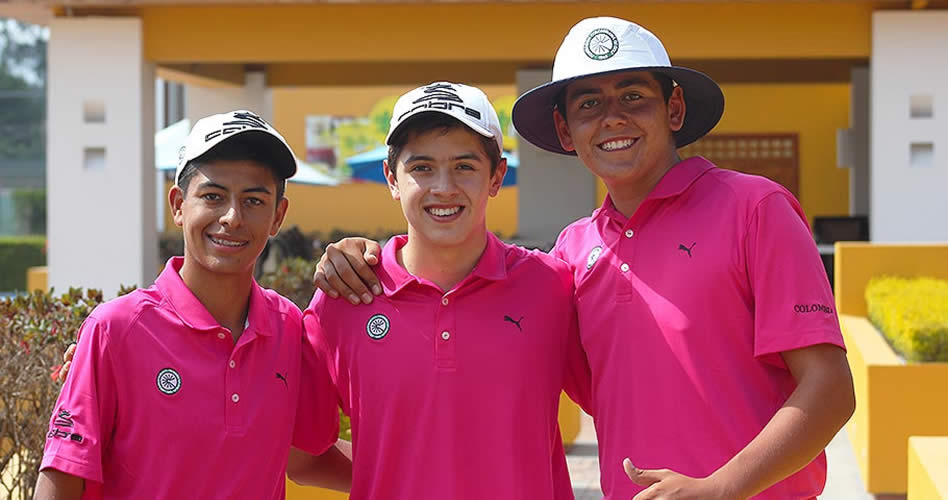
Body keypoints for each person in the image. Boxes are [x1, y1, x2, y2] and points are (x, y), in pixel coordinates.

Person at [311, 17, 855, 500]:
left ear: (674, 108)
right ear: (567, 132)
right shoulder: (569, 257)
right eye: (589, 104)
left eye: (632, 96)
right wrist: (363, 254)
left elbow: (831, 390)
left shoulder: (754, 208)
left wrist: (723, 487)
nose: (612, 118)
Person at [35, 110, 349, 499]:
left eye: (253, 200)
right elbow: (64, 476)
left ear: (277, 217)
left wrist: (437, 473)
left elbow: (304, 458)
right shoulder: (116, 329)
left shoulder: (289, 328)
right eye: (213, 197)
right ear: (179, 205)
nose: (232, 217)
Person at [298, 81, 589, 500]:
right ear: (391, 178)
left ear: (497, 176)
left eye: (465, 166)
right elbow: (303, 454)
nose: (444, 187)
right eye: (421, 168)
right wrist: (399, 476)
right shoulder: (345, 297)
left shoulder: (552, 286)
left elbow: (622, 399)